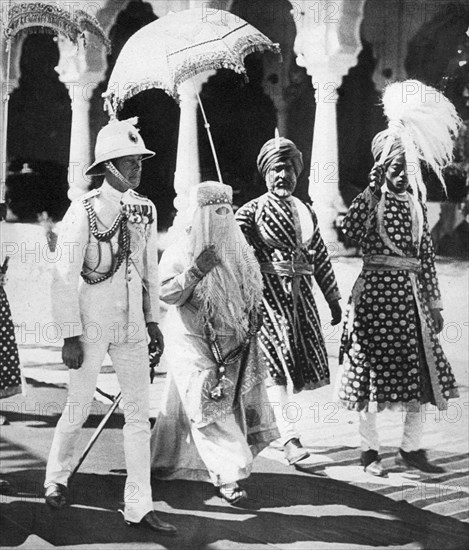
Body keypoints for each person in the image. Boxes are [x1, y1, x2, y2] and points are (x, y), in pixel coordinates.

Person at [44, 118, 177, 535]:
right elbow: (65, 275)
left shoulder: (146, 209)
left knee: (139, 415)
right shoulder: (82, 210)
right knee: (79, 406)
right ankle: (56, 477)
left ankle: (139, 504)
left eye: (140, 160)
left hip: (133, 326)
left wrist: (153, 320)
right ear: (108, 166)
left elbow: (150, 271)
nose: (138, 167)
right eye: (129, 161)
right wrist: (69, 335)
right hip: (91, 325)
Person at [336, 80, 461, 476]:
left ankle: (411, 448)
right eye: (394, 167)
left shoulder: (416, 205)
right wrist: (371, 192)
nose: (402, 174)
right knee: (370, 376)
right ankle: (370, 451)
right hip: (374, 299)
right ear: (381, 168)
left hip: (412, 303)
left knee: (421, 376)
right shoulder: (371, 200)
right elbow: (351, 230)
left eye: (406, 167)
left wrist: (435, 305)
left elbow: (425, 257)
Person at [151, 181, 279, 504]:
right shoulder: (181, 247)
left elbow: (252, 286)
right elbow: (165, 293)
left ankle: (163, 460)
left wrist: (254, 311)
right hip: (190, 339)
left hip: (230, 343)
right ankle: (229, 474)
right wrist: (195, 271)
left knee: (183, 404)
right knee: (208, 405)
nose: (222, 218)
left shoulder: (239, 249)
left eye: (227, 211)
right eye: (215, 212)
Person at [235, 136, 342, 465]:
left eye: (289, 169)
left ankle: (258, 429)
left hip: (302, 304)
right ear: (265, 173)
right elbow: (236, 256)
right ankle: (290, 438)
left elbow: (320, 256)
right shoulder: (250, 212)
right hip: (265, 302)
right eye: (276, 169)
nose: (283, 175)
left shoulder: (305, 210)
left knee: (290, 372)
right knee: (274, 370)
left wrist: (334, 299)